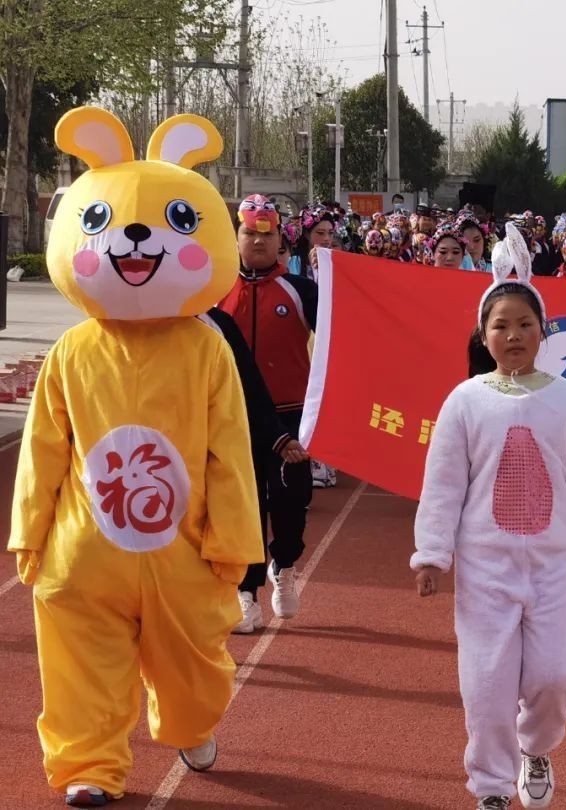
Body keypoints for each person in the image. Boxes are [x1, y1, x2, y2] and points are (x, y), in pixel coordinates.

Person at [10, 107, 263, 807]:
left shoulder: (206, 348)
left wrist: (234, 538)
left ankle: (190, 723)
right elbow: (44, 448)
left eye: (177, 222)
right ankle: (88, 765)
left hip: (181, 549)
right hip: (85, 549)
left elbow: (228, 450)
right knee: (77, 660)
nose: (136, 239)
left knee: (194, 665)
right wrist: (31, 531)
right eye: (102, 223)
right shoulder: (72, 351)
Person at [412, 225, 566, 810]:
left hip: (553, 569)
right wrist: (432, 553)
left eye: (525, 324)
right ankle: (492, 787)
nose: (513, 335)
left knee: (554, 677)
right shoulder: (465, 400)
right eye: (501, 325)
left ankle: (536, 747)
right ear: (484, 335)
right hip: (486, 570)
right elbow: (443, 484)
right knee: (486, 684)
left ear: (543, 331)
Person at [218, 194, 317, 623]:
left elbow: (345, 337)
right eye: (249, 233)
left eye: (267, 233)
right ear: (235, 237)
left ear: (281, 240)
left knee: (292, 501)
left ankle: (285, 565)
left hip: (292, 415)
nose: (258, 241)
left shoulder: (302, 290)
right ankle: (247, 591)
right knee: (244, 506)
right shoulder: (215, 292)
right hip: (234, 417)